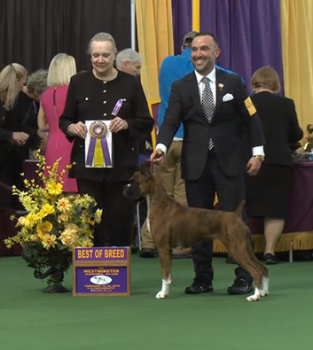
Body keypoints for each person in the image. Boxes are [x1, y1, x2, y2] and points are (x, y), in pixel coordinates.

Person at [151, 32, 265, 295]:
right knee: (195, 223)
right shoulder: (180, 86)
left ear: (217, 52)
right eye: (194, 49)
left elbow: (252, 120)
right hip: (195, 164)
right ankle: (202, 278)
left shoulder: (233, 82)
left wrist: (258, 153)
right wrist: (160, 146)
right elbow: (170, 121)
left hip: (230, 163)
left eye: (204, 49)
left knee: (235, 220)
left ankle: (244, 277)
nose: (198, 54)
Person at [59, 32, 154, 247]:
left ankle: (118, 274)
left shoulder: (130, 83)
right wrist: (72, 127)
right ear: (90, 56)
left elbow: (146, 121)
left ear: (114, 55)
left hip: (121, 167)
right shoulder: (78, 82)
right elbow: (65, 119)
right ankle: (94, 275)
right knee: (91, 221)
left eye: (105, 55)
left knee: (120, 221)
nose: (100, 60)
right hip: (87, 168)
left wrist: (128, 124)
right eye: (95, 55)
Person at [245, 66, 303, 265]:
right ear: (275, 85)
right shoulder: (286, 103)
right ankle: (269, 252)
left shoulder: (246, 103)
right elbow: (296, 134)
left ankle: (240, 251)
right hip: (278, 161)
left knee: (244, 206)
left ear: (254, 83)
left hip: (250, 160)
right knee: (275, 209)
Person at [38, 53, 78, 193]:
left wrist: (54, 125)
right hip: (72, 143)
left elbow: (41, 126)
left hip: (52, 144)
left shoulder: (45, 94)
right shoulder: (74, 92)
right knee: (74, 191)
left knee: (53, 191)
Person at [0, 63, 29, 208]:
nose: (22, 89)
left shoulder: (9, 104)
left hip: (8, 160)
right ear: (15, 81)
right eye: (21, 84)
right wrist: (11, 135)